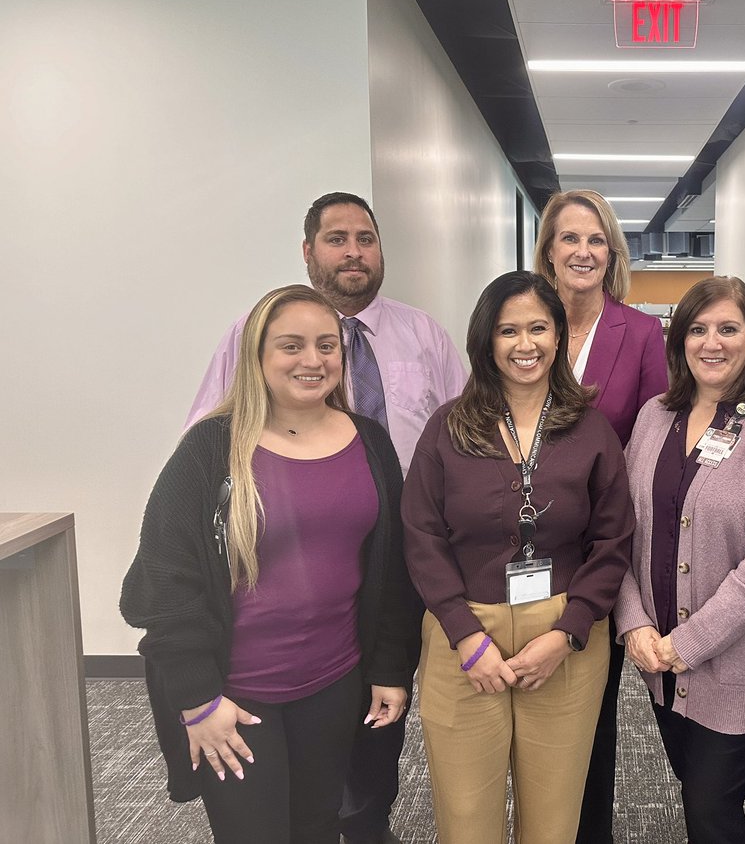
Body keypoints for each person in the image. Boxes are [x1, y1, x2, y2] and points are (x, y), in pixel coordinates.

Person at [186, 192, 466, 843]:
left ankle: (369, 818)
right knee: (285, 746)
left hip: (393, 554)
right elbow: (205, 442)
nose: (353, 252)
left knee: (378, 704)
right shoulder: (253, 334)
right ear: (308, 251)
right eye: (336, 239)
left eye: (365, 238)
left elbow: (463, 437)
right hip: (283, 558)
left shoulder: (423, 335)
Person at [121, 285, 422, 844]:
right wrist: (196, 700)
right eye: (291, 346)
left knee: (316, 828)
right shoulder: (211, 449)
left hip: (335, 686)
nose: (313, 361)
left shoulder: (371, 442)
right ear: (257, 357)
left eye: (326, 346)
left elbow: (393, 571)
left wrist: (389, 666)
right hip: (235, 700)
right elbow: (161, 585)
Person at [401, 271, 634, 844]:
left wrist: (568, 632)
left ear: (558, 337)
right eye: (509, 330)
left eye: (538, 328)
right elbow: (421, 533)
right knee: (465, 813)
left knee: (555, 815)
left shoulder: (591, 428)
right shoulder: (448, 427)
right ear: (486, 340)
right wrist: (464, 635)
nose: (524, 344)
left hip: (562, 634)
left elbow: (613, 540)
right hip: (464, 634)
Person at [614, 276, 745, 844]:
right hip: (661, 663)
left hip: (741, 663)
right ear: (677, 341)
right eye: (697, 329)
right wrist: (633, 624)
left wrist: (687, 642)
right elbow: (621, 532)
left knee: (711, 813)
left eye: (728, 328)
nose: (712, 342)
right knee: (707, 793)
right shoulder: (654, 415)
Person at [533, 189, 668, 842]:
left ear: (610, 253)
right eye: (569, 238)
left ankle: (590, 832)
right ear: (548, 252)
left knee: (592, 705)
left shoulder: (641, 334)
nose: (583, 251)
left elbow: (651, 445)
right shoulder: (526, 324)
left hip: (599, 549)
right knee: (529, 700)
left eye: (596, 240)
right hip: (526, 544)